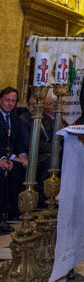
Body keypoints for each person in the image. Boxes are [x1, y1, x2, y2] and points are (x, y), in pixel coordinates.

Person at [0, 87, 29, 232]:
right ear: (1, 100)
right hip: (1, 157)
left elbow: (18, 140)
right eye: (7, 100)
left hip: (9, 157)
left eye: (13, 100)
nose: (10, 103)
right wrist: (4, 158)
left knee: (19, 168)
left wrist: (22, 155)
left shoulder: (14, 118)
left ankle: (13, 211)